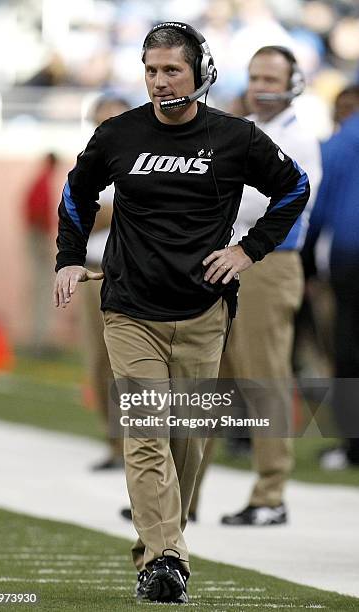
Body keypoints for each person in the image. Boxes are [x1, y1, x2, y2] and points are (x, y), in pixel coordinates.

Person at [53, 23, 310, 604]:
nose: (160, 81)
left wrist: (248, 250)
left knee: (186, 441)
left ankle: (159, 549)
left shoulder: (236, 137)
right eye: (151, 70)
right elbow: (76, 193)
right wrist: (69, 258)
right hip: (129, 310)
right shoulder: (118, 134)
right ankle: (166, 558)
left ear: (201, 73)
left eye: (172, 70)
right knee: (146, 433)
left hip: (202, 312)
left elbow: (295, 187)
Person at [189, 46, 322, 526]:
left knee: (264, 379)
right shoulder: (245, 129)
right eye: (255, 76)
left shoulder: (299, 138)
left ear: (293, 80)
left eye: (271, 76)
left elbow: (284, 206)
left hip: (268, 262)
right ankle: (184, 499)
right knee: (208, 379)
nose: (262, 85)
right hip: (226, 260)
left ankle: (271, 495)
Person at [304, 84, 359, 470]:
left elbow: (316, 209)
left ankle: (353, 446)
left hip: (351, 255)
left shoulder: (342, 142)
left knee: (349, 350)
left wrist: (305, 265)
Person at [80, 95, 131, 471]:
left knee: (131, 362)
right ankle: (115, 443)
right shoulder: (90, 161)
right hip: (95, 267)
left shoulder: (145, 159)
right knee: (99, 360)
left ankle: (137, 443)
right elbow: (78, 216)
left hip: (130, 267)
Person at [24, 152, 59, 352]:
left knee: (40, 287)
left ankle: (39, 338)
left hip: (35, 236)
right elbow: (38, 213)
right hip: (38, 237)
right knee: (43, 287)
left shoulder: (39, 180)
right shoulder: (43, 182)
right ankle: (39, 340)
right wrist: (45, 239)